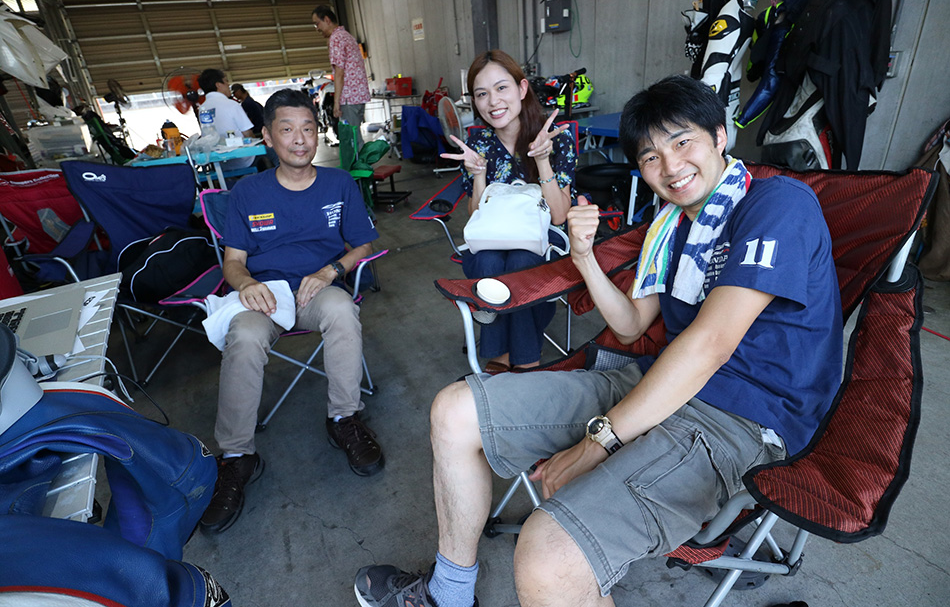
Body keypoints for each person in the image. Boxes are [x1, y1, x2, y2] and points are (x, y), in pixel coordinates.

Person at [353, 74, 843, 607]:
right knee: (454, 411)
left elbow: (710, 345)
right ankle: (448, 592)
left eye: (683, 142)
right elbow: (632, 325)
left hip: (742, 420)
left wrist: (594, 446)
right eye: (651, 156)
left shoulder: (777, 204)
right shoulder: (670, 228)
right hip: (658, 384)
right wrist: (584, 256)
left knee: (547, 557)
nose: (671, 167)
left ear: (720, 136)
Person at [199, 89, 385, 534]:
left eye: (308, 128)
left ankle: (344, 418)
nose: (300, 139)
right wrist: (246, 284)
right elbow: (233, 261)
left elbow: (363, 244)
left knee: (342, 309)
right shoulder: (248, 192)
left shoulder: (339, 184)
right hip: (264, 295)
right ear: (267, 136)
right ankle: (237, 455)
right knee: (244, 336)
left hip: (317, 290)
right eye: (287, 129)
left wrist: (330, 271)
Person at [440, 49, 576, 371]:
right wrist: (478, 175)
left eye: (501, 88)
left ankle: (514, 356)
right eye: (481, 94)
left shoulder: (555, 139)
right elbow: (476, 216)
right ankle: (515, 355)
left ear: (522, 88)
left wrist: (542, 160)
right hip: (492, 239)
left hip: (545, 243)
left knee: (519, 262)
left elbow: (559, 216)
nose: (493, 101)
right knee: (489, 260)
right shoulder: (479, 145)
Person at [312, 5, 370, 145]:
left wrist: (336, 102)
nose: (317, 28)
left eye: (317, 24)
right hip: (357, 96)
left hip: (349, 98)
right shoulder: (346, 35)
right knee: (355, 137)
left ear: (327, 20)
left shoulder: (336, 38)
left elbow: (339, 73)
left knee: (352, 141)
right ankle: (360, 159)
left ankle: (360, 161)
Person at [197, 69, 255, 171]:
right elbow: (248, 134)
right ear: (218, 85)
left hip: (219, 164)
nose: (228, 85)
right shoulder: (232, 104)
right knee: (272, 153)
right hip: (243, 160)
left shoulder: (202, 109)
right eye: (226, 81)